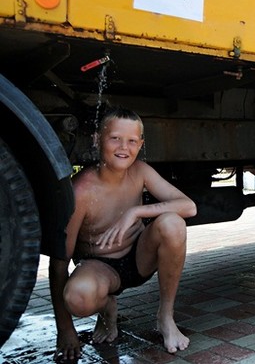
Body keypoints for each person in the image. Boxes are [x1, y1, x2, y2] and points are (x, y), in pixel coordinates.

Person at [50, 107, 197, 361]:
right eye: (115, 138)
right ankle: (107, 306)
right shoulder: (81, 190)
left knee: (173, 223)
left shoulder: (139, 171)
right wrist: (65, 329)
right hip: (100, 266)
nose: (123, 147)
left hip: (139, 258)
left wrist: (136, 212)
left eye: (131, 141)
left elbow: (189, 206)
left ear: (140, 144)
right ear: (97, 140)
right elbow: (59, 260)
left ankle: (165, 317)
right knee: (77, 297)